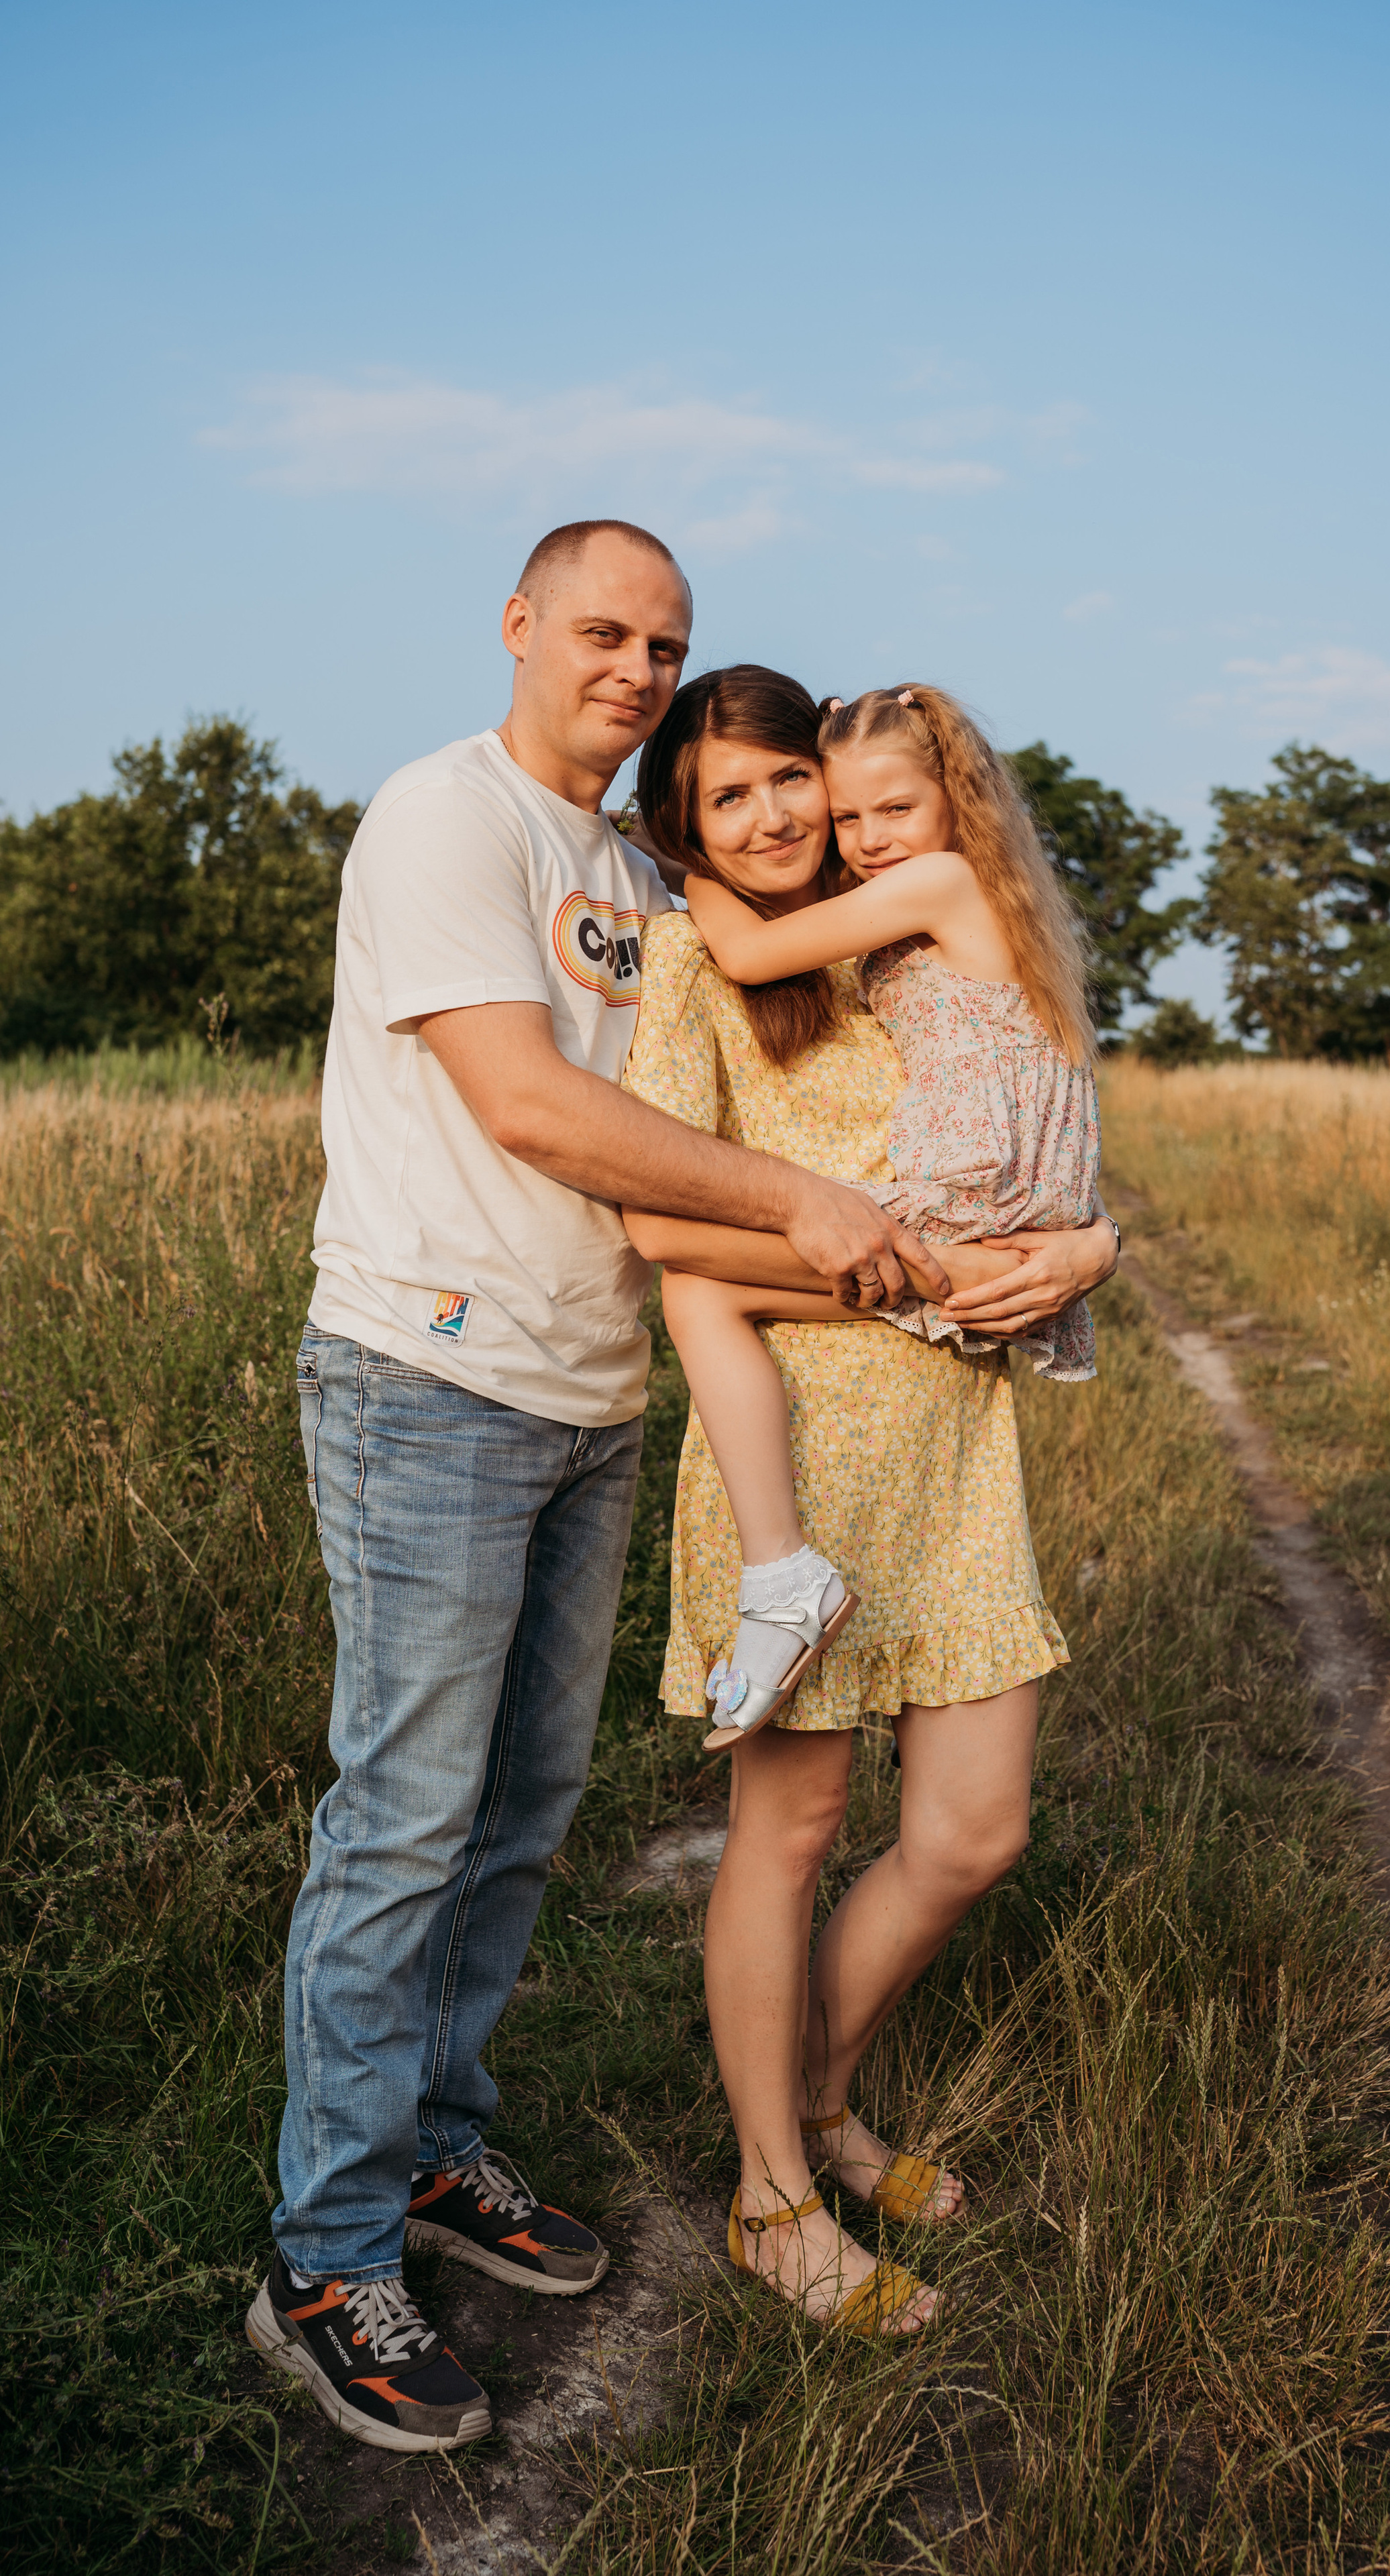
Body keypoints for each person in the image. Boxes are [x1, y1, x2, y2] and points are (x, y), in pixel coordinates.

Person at [246, 524, 954, 2457]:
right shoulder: (443, 821)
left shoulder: (632, 867)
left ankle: (439, 2156)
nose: (636, 667)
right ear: (518, 629)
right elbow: (536, 1105)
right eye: (603, 632)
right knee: (404, 1817)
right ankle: (324, 2249)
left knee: (522, 1812)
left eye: (668, 644)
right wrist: (807, 1202)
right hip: (426, 1377)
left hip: (588, 1396)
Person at [621, 665, 1118, 2333]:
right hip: (804, 1439)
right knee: (794, 1830)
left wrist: (1083, 1249)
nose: (772, 822)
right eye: (728, 802)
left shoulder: (894, 934)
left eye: (787, 787)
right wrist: (912, 1272)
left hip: (960, 1440)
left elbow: (1035, 1136)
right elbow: (665, 1234)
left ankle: (821, 2097)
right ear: (685, 830)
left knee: (973, 1832)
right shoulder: (697, 963)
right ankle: (772, 2193)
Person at [669, 682, 1102, 1753]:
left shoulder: (942, 885)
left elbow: (752, 955)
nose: (867, 842)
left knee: (697, 1284)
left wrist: (677, 861)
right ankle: (783, 1576)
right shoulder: (960, 901)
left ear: (954, 799)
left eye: (892, 811)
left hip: (966, 1207)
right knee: (696, 1278)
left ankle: (781, 1574)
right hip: (995, 1203)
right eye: (850, 817)